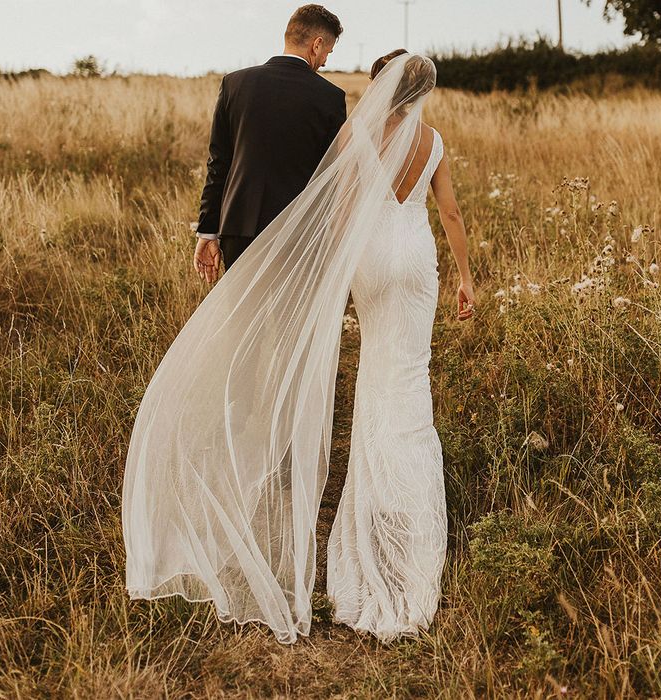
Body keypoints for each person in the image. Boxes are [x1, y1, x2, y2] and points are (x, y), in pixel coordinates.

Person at [122, 49, 475, 645]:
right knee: (410, 372)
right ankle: (408, 509)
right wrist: (466, 278)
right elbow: (451, 212)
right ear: (424, 92)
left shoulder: (355, 134)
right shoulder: (435, 142)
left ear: (381, 84)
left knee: (373, 375)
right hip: (418, 262)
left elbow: (337, 211)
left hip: (370, 262)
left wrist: (329, 281)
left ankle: (371, 509)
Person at [192, 4, 347, 277]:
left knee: (245, 319)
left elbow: (219, 163)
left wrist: (208, 230)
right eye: (327, 52)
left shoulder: (235, 84)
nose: (324, 61)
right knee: (291, 320)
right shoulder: (330, 97)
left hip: (239, 230)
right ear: (317, 44)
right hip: (299, 234)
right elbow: (330, 177)